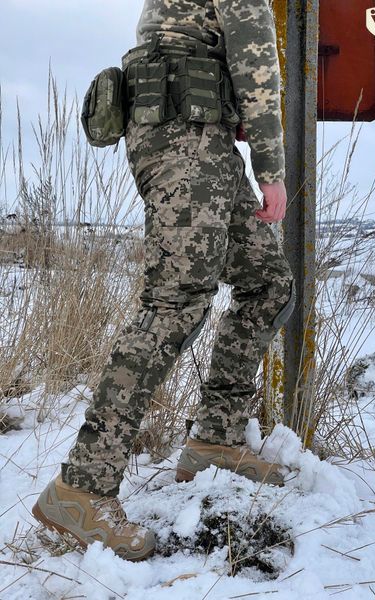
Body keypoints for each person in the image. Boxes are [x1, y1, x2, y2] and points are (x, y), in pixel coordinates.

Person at [32, 0, 296, 562]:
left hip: (205, 134)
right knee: (176, 299)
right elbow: (255, 63)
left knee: (268, 282)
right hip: (184, 133)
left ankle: (215, 439)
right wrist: (271, 169)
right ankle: (82, 486)